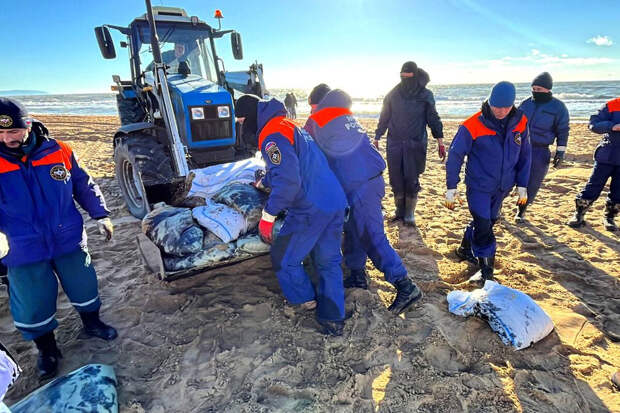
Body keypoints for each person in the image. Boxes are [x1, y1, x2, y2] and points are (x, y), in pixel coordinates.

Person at [0, 98, 117, 380]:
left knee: (83, 283)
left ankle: (92, 323)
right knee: (32, 301)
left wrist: (101, 214)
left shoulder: (60, 151)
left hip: (67, 238)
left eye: (13, 131)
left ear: (27, 125)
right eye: (0, 133)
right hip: (21, 247)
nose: (6, 138)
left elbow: (83, 183)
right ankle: (48, 350)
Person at [234, 94, 349, 336]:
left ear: (252, 118)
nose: (241, 126)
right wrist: (264, 181)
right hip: (335, 201)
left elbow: (289, 182)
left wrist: (268, 215)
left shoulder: (270, 137)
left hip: (310, 208)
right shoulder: (288, 126)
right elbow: (292, 166)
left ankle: (305, 300)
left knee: (283, 257)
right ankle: (333, 317)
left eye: (242, 121)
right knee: (328, 260)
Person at [304, 87, 422, 314]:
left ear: (319, 104)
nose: (311, 110)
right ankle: (357, 274)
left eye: (312, 106)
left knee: (371, 236)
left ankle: (405, 285)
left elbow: (308, 155)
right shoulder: (346, 117)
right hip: (368, 180)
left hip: (361, 184)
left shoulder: (317, 120)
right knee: (353, 228)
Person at [444, 82, 531, 285]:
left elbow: (526, 154)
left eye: (506, 107)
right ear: (489, 102)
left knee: (490, 221)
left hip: (503, 185)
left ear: (513, 105)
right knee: (484, 227)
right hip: (478, 186)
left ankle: (465, 249)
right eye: (496, 106)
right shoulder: (471, 125)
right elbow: (455, 156)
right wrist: (451, 186)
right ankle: (486, 272)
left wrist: (522, 183)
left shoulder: (521, 122)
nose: (500, 111)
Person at [375, 61, 445, 226]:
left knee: (412, 178)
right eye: (402, 76)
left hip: (416, 143)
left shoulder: (425, 95)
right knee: (396, 179)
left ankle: (409, 214)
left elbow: (433, 118)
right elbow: (384, 117)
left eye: (408, 76)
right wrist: (377, 136)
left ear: (415, 75)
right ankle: (399, 212)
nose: (405, 79)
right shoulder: (392, 94)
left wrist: (440, 140)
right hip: (395, 143)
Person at [516, 72, 569, 222]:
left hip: (540, 150)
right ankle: (497, 205)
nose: (535, 92)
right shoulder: (526, 103)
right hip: (519, 147)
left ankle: (521, 210)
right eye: (533, 89)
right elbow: (514, 122)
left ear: (547, 89)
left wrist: (560, 152)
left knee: (532, 182)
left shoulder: (558, 107)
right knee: (507, 177)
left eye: (538, 89)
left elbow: (563, 130)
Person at [568, 96, 620, 231]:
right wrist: (612, 126)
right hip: (607, 155)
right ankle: (579, 214)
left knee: (618, 191)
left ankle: (609, 218)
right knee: (593, 186)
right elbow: (593, 124)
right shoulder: (613, 105)